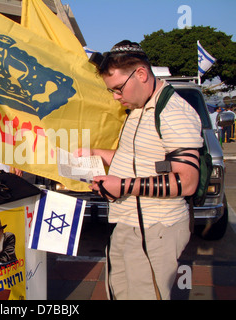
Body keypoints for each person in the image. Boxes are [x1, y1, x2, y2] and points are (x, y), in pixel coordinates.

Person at [84, 40, 203, 300]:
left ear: (141, 74)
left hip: (155, 227)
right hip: (126, 221)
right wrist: (96, 154)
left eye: (118, 89)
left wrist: (122, 186)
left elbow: (187, 181)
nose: (116, 97)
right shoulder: (138, 108)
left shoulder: (173, 112)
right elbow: (137, 158)